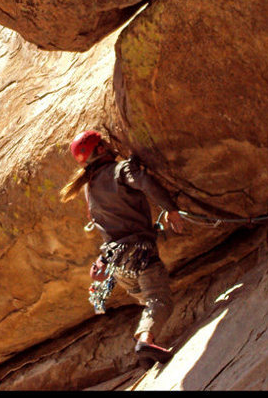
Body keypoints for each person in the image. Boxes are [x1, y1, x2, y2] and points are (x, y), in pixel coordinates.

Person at [60, 129, 186, 369]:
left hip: (117, 264)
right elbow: (146, 183)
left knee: (149, 300)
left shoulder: (89, 188)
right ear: (99, 149)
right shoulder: (119, 170)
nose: (108, 144)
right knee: (160, 301)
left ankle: (147, 347)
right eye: (104, 143)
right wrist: (171, 209)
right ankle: (145, 341)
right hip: (139, 254)